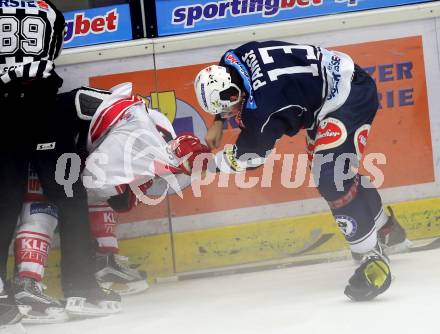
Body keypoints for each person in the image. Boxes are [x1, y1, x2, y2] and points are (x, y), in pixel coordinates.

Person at [194, 40, 409, 301]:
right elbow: (234, 87)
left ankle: (372, 257)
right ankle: (387, 231)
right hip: (329, 90)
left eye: (228, 110)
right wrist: (218, 121)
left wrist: (208, 166)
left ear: (233, 94)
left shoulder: (265, 109)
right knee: (336, 174)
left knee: (331, 179)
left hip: (346, 96)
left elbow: (250, 156)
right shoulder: (234, 59)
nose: (231, 115)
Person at [13, 82, 210, 322]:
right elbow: (96, 188)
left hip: (58, 126)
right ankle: (53, 287)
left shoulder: (163, 131)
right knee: (48, 207)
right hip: (52, 128)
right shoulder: (138, 150)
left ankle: (97, 264)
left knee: (69, 197)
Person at [0, 0, 120, 321]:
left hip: (5, 111)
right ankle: (82, 289)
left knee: (4, 205)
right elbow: (53, 51)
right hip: (47, 111)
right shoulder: (47, 8)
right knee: (69, 201)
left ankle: (2, 299)